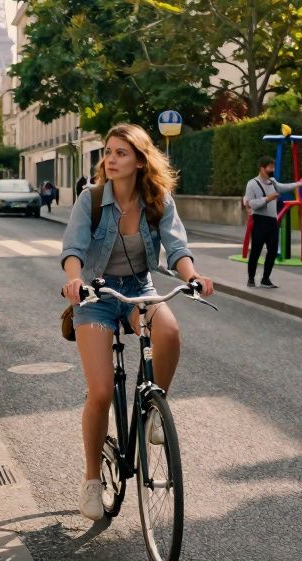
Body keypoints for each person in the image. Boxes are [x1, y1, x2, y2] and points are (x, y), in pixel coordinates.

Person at [61, 123, 213, 522]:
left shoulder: (157, 199)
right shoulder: (90, 200)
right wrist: (74, 280)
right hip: (95, 296)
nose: (110, 160)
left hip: (139, 289)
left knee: (170, 331)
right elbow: (73, 249)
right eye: (107, 152)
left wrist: (191, 276)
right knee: (100, 392)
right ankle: (92, 479)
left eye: (120, 153)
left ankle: (151, 412)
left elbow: (177, 246)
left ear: (141, 159)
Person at [243, 156, 302, 289]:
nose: (272, 170)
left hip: (272, 221)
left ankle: (266, 279)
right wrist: (268, 198)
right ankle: (251, 278)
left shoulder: (272, 182)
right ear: (262, 168)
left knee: (272, 251)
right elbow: (251, 204)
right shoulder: (252, 184)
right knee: (256, 250)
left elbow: (283, 187)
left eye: (273, 167)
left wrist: (300, 184)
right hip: (259, 221)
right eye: (270, 167)